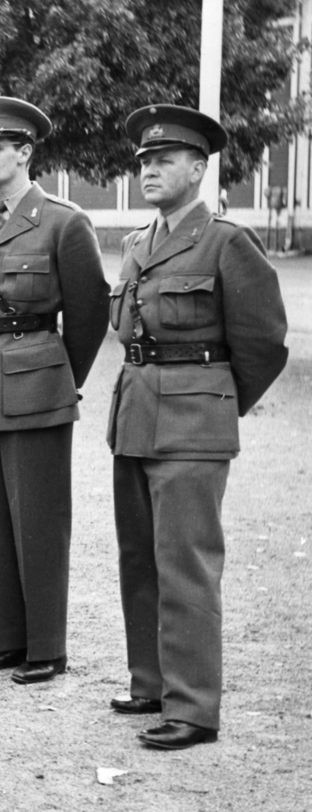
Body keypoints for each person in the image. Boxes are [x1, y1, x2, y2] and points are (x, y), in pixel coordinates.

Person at [108, 104, 288, 750]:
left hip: (192, 425)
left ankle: (193, 708)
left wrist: (216, 404)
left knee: (186, 563)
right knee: (139, 558)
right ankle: (151, 683)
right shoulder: (137, 243)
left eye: (164, 160)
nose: (150, 170)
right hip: (135, 417)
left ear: (197, 169)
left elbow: (264, 342)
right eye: (144, 162)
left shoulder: (226, 242)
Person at [0, 97, 109, 684]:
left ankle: (47, 646)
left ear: (24, 152)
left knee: (39, 521)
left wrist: (58, 380)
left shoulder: (64, 222)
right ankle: (12, 639)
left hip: (37, 385)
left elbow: (89, 315)